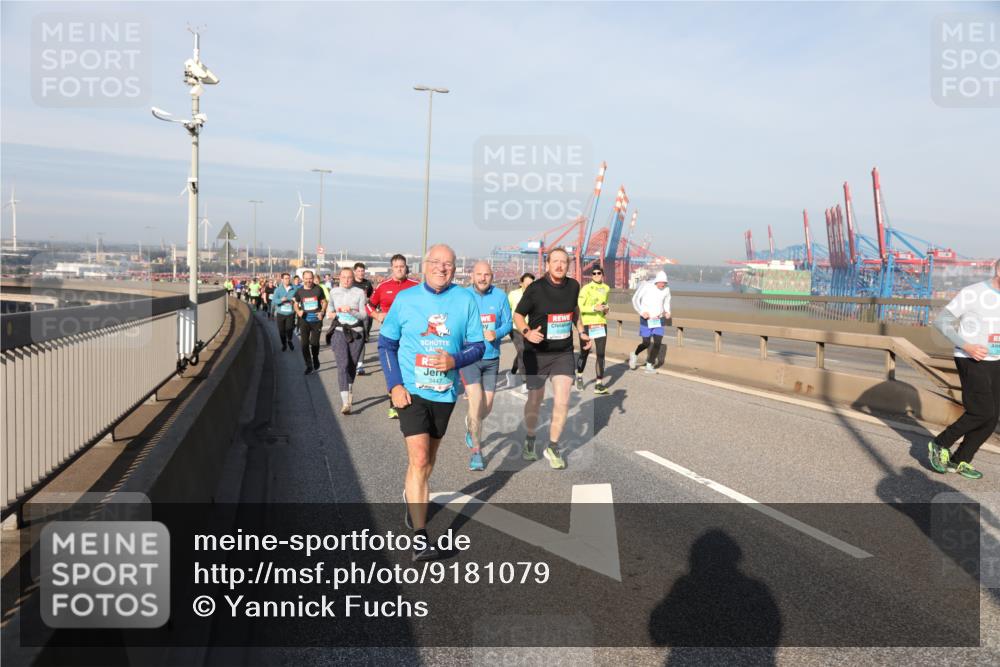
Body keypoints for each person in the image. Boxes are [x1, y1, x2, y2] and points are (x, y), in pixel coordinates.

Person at [378, 244, 485, 561]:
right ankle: (420, 539)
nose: (442, 268)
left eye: (449, 264)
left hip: (445, 393)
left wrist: (455, 360)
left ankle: (413, 498)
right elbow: (386, 343)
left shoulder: (465, 299)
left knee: (427, 462)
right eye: (436, 262)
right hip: (411, 391)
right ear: (424, 266)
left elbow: (478, 347)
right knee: (421, 458)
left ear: (455, 268)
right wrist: (394, 384)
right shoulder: (406, 299)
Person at [513, 247, 591, 470]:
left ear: (568, 265)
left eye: (563, 262)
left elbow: (574, 310)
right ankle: (530, 437)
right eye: (555, 261)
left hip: (563, 352)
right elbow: (518, 315)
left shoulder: (574, 286)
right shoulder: (536, 289)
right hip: (537, 353)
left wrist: (582, 331)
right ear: (547, 265)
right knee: (535, 400)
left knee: (563, 399)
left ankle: (553, 446)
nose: (559, 265)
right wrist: (527, 332)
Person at [928, 258, 1000, 480]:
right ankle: (940, 443)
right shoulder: (973, 293)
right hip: (970, 359)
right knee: (982, 411)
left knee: (991, 418)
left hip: (996, 360)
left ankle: (961, 460)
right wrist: (967, 346)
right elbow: (941, 323)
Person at [462, 261, 513, 471]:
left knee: (487, 406)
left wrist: (497, 333)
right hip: (469, 358)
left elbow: (508, 323)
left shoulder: (500, 296)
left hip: (492, 358)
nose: (483, 278)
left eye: (487, 275)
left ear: (492, 277)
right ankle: (476, 451)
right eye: (479, 274)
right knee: (475, 402)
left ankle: (471, 425)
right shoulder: (462, 296)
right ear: (472, 276)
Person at [369, 254, 420, 419]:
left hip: (410, 335)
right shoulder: (383, 286)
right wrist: (378, 316)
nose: (399, 269)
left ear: (406, 268)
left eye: (402, 266)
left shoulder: (415, 286)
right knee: (393, 367)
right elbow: (369, 306)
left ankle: (412, 397)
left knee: (408, 366)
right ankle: (393, 403)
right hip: (389, 335)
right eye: (396, 266)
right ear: (392, 268)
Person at [327, 267, 369, 414]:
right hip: (339, 330)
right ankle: (345, 403)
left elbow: (364, 315)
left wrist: (351, 311)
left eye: (349, 277)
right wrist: (331, 314)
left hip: (356, 332)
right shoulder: (334, 292)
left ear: (353, 278)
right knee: (342, 365)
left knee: (351, 365)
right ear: (339, 278)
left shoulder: (359, 293)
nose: (346, 280)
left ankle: (349, 387)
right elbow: (329, 310)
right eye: (343, 277)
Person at [576, 266, 611, 394]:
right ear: (591, 275)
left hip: (601, 324)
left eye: (599, 273)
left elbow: (605, 304)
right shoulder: (585, 288)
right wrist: (594, 308)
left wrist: (607, 309)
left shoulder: (606, 288)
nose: (596, 275)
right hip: (588, 325)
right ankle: (579, 375)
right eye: (594, 273)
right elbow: (581, 306)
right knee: (584, 353)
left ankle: (599, 383)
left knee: (601, 354)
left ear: (602, 274)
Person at [630, 271, 672, 373]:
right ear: (656, 281)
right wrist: (641, 312)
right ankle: (634, 354)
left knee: (657, 343)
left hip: (659, 320)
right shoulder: (646, 286)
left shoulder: (666, 289)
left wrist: (667, 311)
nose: (663, 285)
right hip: (646, 319)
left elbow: (667, 301)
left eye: (664, 283)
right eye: (661, 282)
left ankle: (649, 364)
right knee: (646, 343)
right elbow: (635, 299)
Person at [293, 270, 327, 375]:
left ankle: (315, 357)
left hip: (316, 320)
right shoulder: (299, 291)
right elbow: (295, 303)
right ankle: (308, 365)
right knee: (304, 344)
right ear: (303, 279)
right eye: (306, 278)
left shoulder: (318, 289)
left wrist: (322, 311)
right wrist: (298, 311)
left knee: (314, 343)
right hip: (304, 320)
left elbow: (324, 302)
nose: (308, 281)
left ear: (313, 278)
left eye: (310, 278)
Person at [506, 273, 534, 389]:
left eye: (531, 285)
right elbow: (507, 311)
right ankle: (525, 381)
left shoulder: (535, 295)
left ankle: (512, 373)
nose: (529, 287)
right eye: (526, 284)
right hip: (515, 328)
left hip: (529, 329)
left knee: (522, 352)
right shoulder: (513, 295)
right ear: (521, 283)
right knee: (522, 351)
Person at [353, 262, 375, 375]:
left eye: (363, 271)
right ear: (355, 272)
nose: (361, 273)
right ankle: (353, 361)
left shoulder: (367, 283)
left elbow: (372, 297)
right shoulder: (351, 283)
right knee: (352, 339)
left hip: (365, 315)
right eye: (359, 271)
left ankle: (360, 366)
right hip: (352, 315)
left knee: (362, 339)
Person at [273, 273, 298, 351]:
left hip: (290, 313)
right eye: (286, 278)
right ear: (282, 279)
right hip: (281, 313)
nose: (287, 280)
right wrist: (281, 300)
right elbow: (274, 301)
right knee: (281, 331)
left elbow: (299, 297)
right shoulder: (278, 290)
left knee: (289, 328)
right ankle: (284, 344)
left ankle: (289, 340)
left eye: (288, 278)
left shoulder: (294, 288)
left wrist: (295, 299)